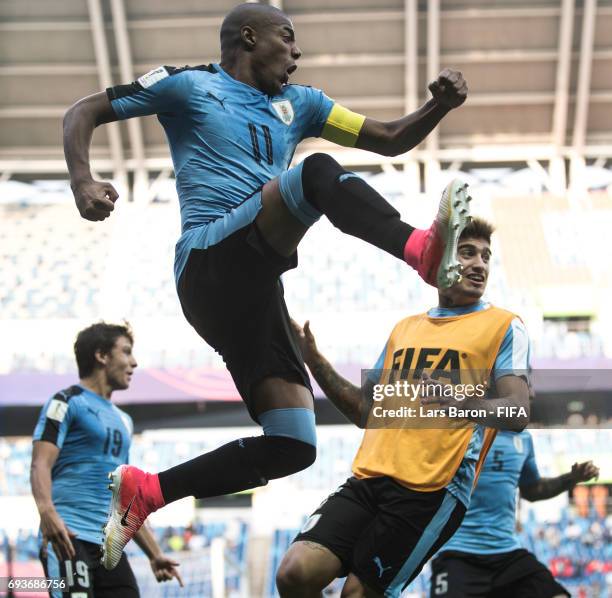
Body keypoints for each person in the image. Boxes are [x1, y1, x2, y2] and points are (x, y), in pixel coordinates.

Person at [63, 2, 470, 569]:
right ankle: (419, 250)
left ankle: (149, 491)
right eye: (288, 37)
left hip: (252, 292)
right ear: (249, 37)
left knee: (294, 441)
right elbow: (84, 110)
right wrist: (83, 180)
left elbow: (389, 138)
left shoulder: (301, 105)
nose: (297, 52)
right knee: (312, 174)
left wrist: (437, 107)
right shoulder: (188, 86)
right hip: (210, 261)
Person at [276, 217, 531, 598]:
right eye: (467, 252)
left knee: (356, 594)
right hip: (368, 480)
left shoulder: (504, 326)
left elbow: (518, 413)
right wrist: (315, 360)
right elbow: (366, 411)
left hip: (432, 491)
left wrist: (461, 403)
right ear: (440, 260)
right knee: (294, 574)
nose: (480, 264)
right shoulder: (405, 328)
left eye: (486, 256)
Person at [30, 323, 183, 596]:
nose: (134, 362)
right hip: (69, 537)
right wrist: (46, 512)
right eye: (125, 352)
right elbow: (40, 462)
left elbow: (123, 495)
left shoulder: (125, 421)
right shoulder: (65, 402)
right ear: (102, 356)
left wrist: (155, 554)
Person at [429, 431, 599, 598]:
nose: (528, 405)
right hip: (459, 554)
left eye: (531, 401)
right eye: (526, 400)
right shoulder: (465, 430)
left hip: (506, 554)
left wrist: (571, 478)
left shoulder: (523, 438)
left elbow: (533, 490)